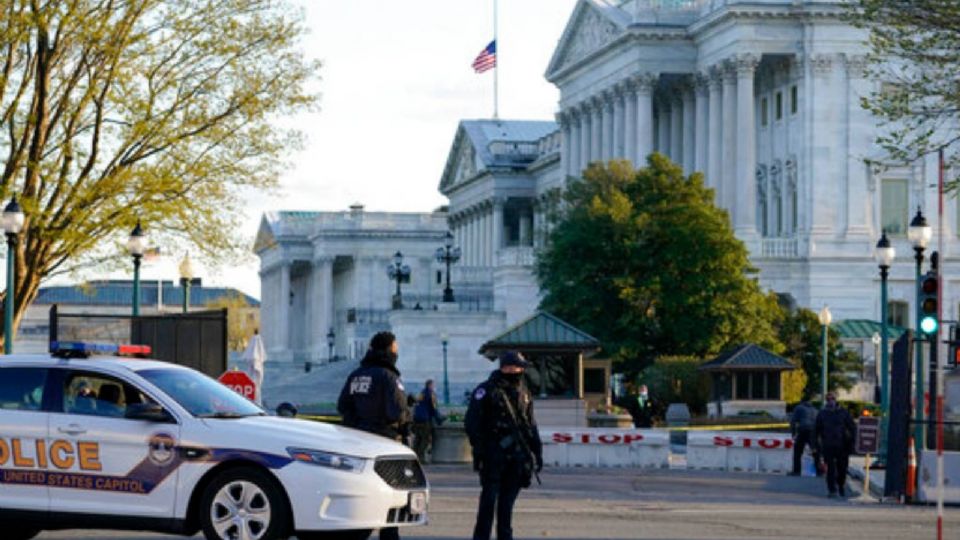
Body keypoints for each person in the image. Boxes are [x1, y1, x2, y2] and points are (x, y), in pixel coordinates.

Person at [337, 331, 411, 540]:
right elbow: (396, 412)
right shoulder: (388, 377)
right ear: (388, 350)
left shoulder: (356, 375)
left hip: (357, 442)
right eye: (395, 349)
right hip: (385, 443)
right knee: (391, 497)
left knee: (362, 496)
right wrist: (408, 412)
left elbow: (343, 405)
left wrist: (358, 425)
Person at [465, 351, 543, 540]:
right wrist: (481, 448)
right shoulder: (486, 390)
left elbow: (530, 425)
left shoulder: (524, 392)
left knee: (507, 503)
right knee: (489, 500)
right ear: (507, 367)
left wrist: (537, 451)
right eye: (518, 366)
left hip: (517, 456)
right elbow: (472, 422)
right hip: (493, 454)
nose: (521, 370)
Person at [815, 392, 856, 498]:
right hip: (828, 445)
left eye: (832, 399)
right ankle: (832, 489)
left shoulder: (843, 412)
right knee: (831, 469)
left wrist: (853, 442)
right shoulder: (822, 414)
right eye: (828, 399)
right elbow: (816, 430)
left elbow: (852, 428)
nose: (830, 401)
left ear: (836, 400)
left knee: (842, 468)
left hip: (842, 445)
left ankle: (841, 485)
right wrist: (815, 445)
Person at [412, 379, 444, 462]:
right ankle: (421, 458)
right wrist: (439, 419)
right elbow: (434, 408)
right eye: (433, 385)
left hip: (416, 419)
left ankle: (414, 458)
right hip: (425, 420)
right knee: (425, 439)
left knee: (418, 439)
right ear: (431, 385)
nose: (434, 387)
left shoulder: (421, 393)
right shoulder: (431, 394)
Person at [789, 398, 820, 476]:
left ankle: (796, 471)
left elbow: (793, 421)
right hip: (813, 432)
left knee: (798, 451)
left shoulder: (799, 408)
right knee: (815, 452)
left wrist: (793, 434)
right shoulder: (815, 410)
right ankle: (819, 471)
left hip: (803, 430)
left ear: (802, 401)